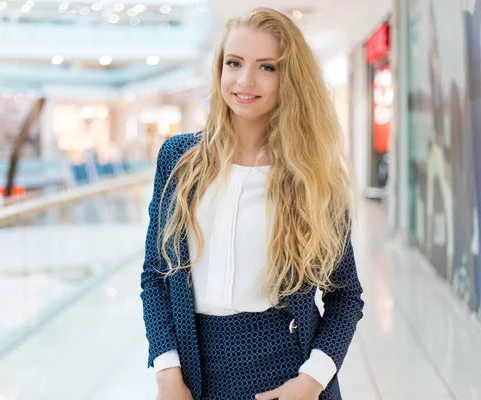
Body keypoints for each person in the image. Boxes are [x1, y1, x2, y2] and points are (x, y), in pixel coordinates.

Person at [140, 7, 364, 400]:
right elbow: (155, 275)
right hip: (192, 379)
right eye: (234, 63)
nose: (245, 80)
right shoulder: (178, 159)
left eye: (267, 67)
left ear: (289, 78)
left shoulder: (313, 175)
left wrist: (311, 381)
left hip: (290, 375)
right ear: (219, 69)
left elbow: (345, 294)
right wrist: (166, 371)